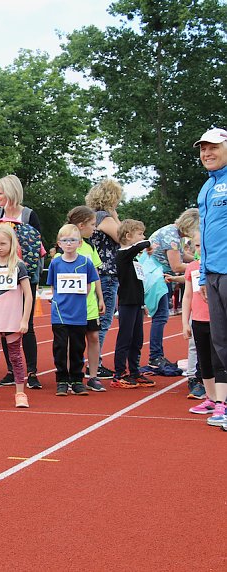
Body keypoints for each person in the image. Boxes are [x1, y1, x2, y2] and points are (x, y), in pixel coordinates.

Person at [0, 175, 42, 390]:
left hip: (23, 275)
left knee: (26, 325)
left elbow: (37, 242)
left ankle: (31, 372)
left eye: (0, 192)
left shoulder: (29, 215)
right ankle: (11, 371)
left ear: (11, 192)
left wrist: (16, 237)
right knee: (1, 324)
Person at [0, 225, 33, 409]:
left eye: (3, 243)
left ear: (12, 244)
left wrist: (24, 319)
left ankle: (20, 393)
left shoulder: (19, 266)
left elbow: (29, 295)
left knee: (16, 357)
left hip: (13, 320)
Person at [194, 126, 227, 430]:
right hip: (214, 274)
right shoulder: (206, 188)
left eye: (214, 147)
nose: (207, 153)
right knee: (220, 341)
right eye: (203, 149)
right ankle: (222, 402)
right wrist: (203, 275)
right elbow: (204, 238)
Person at [46, 224, 99, 396]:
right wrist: (58, 301)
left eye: (73, 240)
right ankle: (62, 380)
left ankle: (77, 380)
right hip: (60, 313)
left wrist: (80, 298)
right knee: (60, 347)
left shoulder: (86, 262)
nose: (69, 244)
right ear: (59, 243)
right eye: (65, 240)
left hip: (79, 313)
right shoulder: (55, 263)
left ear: (79, 242)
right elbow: (53, 285)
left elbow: (90, 285)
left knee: (77, 347)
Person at [146, 208, 199, 370]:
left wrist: (198, 258)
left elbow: (182, 256)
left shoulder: (174, 233)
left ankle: (156, 355)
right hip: (156, 276)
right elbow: (176, 265)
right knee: (160, 316)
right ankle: (155, 356)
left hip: (159, 275)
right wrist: (202, 265)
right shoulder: (172, 237)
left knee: (160, 315)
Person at [183, 232, 227, 419]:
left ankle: (221, 402)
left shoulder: (218, 269)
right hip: (199, 321)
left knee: (219, 361)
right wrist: (185, 321)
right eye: (198, 246)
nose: (200, 249)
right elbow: (187, 296)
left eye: (203, 245)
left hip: (217, 321)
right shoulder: (192, 268)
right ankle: (211, 398)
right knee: (204, 362)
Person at [65, 206, 107, 392]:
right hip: (71, 304)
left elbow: (95, 274)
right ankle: (70, 375)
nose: (95, 228)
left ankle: (94, 376)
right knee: (72, 340)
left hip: (89, 303)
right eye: (92, 224)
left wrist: (100, 297)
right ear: (81, 225)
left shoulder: (89, 248)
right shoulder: (65, 246)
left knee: (93, 337)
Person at [85, 178, 123, 379]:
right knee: (103, 320)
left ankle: (93, 362)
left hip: (100, 273)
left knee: (96, 320)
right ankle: (95, 363)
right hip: (106, 273)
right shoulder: (104, 217)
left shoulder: (93, 217)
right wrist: (115, 216)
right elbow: (123, 237)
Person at [111, 219, 153, 389]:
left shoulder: (134, 259)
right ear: (128, 236)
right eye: (140, 234)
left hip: (136, 303)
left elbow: (138, 282)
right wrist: (148, 243)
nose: (143, 237)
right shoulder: (123, 254)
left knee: (137, 339)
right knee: (125, 338)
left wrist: (143, 303)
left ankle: (134, 371)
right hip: (127, 303)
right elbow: (140, 245)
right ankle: (119, 373)